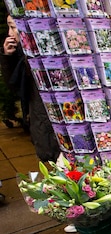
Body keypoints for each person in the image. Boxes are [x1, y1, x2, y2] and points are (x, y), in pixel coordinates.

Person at [1, 16, 59, 163]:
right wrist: (8, 57)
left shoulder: (48, 52)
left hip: (55, 130)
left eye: (13, 27)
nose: (10, 33)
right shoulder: (24, 54)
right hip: (42, 130)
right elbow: (16, 86)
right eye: (10, 27)